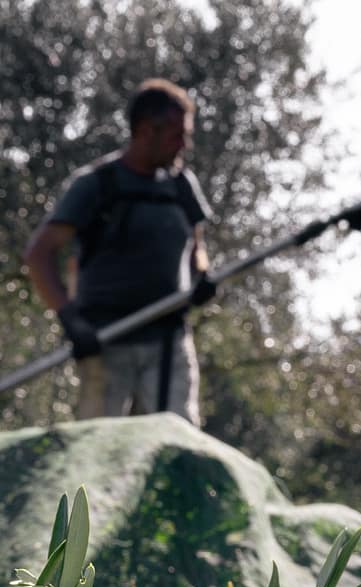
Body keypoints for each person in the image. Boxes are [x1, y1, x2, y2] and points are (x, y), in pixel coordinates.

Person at [23, 78, 217, 425]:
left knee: (178, 446)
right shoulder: (96, 185)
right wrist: (69, 318)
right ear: (146, 130)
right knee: (100, 449)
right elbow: (40, 254)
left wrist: (202, 275)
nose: (184, 145)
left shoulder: (181, 185)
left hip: (169, 341)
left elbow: (196, 246)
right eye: (177, 134)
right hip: (105, 343)